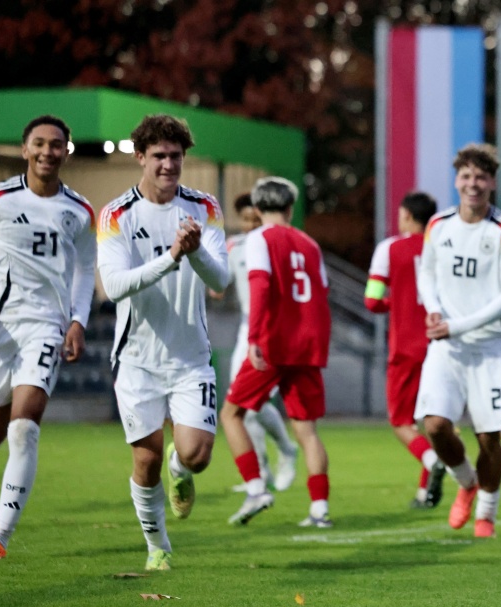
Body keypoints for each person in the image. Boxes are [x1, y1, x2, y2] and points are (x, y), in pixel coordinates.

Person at [0, 115, 96, 561]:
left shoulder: (80, 211)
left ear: (67, 152)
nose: (48, 151)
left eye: (56, 145)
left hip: (46, 328)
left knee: (25, 426)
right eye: (39, 144)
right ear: (25, 148)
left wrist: (78, 320)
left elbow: (87, 269)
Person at [97, 114, 229, 570]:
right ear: (140, 157)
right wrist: (173, 257)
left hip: (191, 356)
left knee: (196, 454)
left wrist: (195, 254)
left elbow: (222, 278)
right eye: (159, 156)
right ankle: (157, 547)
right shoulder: (116, 214)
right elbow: (114, 286)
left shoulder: (204, 207)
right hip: (137, 358)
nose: (169, 164)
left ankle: (181, 471)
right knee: (145, 460)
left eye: (176, 156)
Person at [416, 143, 501, 538]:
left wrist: (457, 325)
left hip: (488, 349)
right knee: (434, 426)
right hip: (445, 348)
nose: (473, 184)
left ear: (492, 182)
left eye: (481, 177)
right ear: (456, 180)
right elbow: (426, 273)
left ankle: (487, 513)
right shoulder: (437, 225)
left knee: (489, 438)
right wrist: (432, 307)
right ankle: (466, 483)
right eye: (466, 176)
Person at [221, 177, 333, 527]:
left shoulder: (258, 238)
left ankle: (256, 488)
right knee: (307, 430)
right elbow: (322, 291)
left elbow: (261, 285)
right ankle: (319, 510)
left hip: (274, 343)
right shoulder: (310, 244)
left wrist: (255, 337)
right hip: (307, 345)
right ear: (290, 207)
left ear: (257, 209)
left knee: (231, 413)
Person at [366, 191, 447, 509]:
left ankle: (431, 463)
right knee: (432, 421)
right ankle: (425, 493)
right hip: (439, 345)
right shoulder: (441, 247)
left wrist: (395, 302)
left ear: (407, 216)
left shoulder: (390, 248)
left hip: (405, 347)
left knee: (401, 421)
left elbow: (372, 300)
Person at [223, 192, 300, 492]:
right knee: (244, 405)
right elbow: (220, 283)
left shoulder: (275, 244)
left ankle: (285, 448)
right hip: (247, 328)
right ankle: (262, 473)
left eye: (253, 218)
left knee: (247, 403)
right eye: (244, 219)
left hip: (272, 330)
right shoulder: (234, 246)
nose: (249, 224)